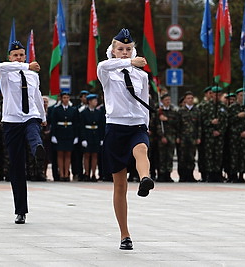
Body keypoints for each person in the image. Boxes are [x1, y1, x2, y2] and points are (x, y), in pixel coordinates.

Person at [97, 28, 154, 250]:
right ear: (112, 50)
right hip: (116, 127)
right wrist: (129, 63)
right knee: (119, 185)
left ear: (134, 50)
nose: (124, 52)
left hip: (137, 125)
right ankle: (124, 234)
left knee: (141, 149)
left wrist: (146, 125)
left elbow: (145, 100)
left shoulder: (142, 75)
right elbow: (104, 65)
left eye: (128, 49)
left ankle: (145, 179)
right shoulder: (107, 70)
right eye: (120, 49)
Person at [0, 40, 46, 224]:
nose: (18, 58)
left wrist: (42, 116)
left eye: (22, 55)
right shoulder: (5, 73)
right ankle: (20, 210)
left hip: (30, 116)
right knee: (17, 166)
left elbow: (37, 96)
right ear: (10, 57)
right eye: (15, 55)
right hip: (12, 120)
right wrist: (25, 65)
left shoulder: (32, 75)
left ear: (26, 55)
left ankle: (37, 150)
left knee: (34, 132)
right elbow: (2, 67)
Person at [50, 92, 79, 181]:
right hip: (60, 133)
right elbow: (53, 123)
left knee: (68, 155)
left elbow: (76, 123)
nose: (66, 99)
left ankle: (66, 174)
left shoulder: (73, 110)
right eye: (64, 98)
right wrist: (53, 135)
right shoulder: (56, 109)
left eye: (67, 97)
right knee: (60, 154)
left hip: (69, 133)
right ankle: (61, 174)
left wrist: (76, 136)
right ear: (61, 99)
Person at [176, 91, 201, 182]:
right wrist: (177, 137)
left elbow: (199, 125)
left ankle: (190, 175)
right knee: (182, 157)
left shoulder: (197, 111)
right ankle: (182, 176)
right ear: (185, 100)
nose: (190, 100)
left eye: (191, 98)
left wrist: (198, 137)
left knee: (191, 157)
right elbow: (177, 125)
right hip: (183, 138)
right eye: (188, 98)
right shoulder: (180, 111)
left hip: (193, 138)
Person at [79, 94, 104, 181]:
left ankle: (93, 174)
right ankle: (86, 173)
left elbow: (101, 126)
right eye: (94, 101)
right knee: (87, 155)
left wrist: (101, 138)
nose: (96, 102)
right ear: (89, 101)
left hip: (96, 135)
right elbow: (82, 126)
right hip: (88, 134)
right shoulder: (84, 112)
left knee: (95, 155)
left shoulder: (99, 112)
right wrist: (83, 139)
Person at [156, 93, 178, 182]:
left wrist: (167, 119)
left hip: (171, 136)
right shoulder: (159, 112)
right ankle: (161, 174)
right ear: (162, 101)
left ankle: (168, 174)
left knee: (169, 156)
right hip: (161, 137)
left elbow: (177, 123)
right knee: (161, 156)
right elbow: (156, 125)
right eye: (166, 100)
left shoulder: (173, 111)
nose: (168, 101)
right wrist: (161, 136)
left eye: (169, 100)